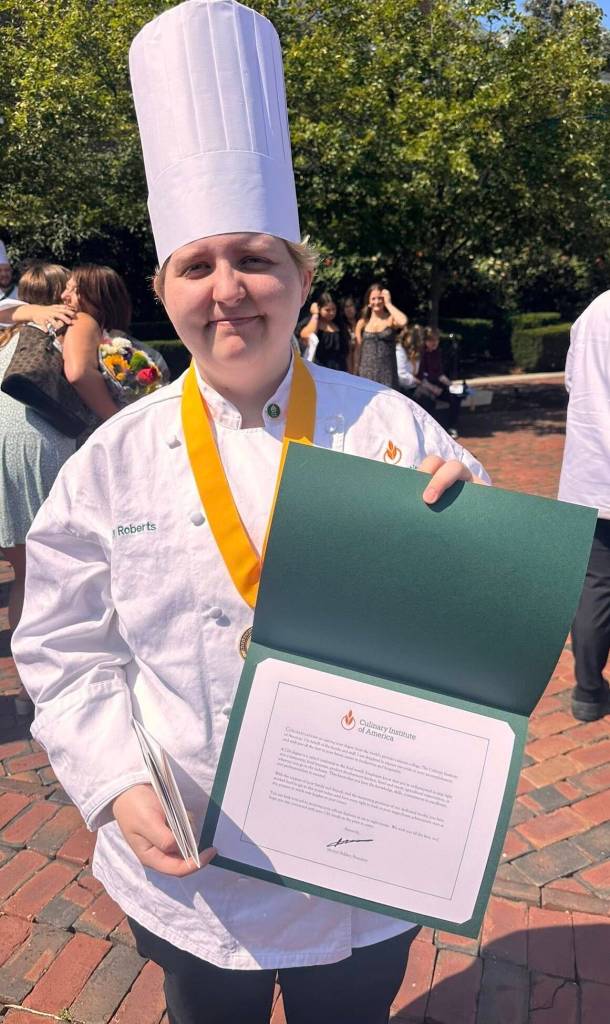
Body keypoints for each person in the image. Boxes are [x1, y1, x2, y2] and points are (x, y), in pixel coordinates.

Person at [12, 3, 490, 1022]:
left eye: (256, 258)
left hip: (366, 857)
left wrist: (469, 534)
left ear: (302, 279)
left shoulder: (394, 428)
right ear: (166, 291)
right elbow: (62, 647)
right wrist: (114, 784)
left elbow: (480, 624)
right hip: (192, 855)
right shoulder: (112, 461)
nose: (228, 288)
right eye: (198, 265)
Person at [0, 263, 77, 714]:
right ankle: (61, 680)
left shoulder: (6, 334)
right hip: (42, 447)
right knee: (62, 570)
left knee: (23, 574)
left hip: (3, 451)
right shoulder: (61, 326)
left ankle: (26, 688)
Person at [558, 292, 610, 721]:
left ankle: (588, 691)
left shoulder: (594, 311)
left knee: (595, 585)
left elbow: (572, 382)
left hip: (592, 474)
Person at [59, 264, 132, 422]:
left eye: (74, 290)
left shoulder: (85, 325)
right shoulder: (82, 320)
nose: (63, 295)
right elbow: (79, 374)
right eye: (66, 288)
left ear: (96, 297)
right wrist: (120, 422)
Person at [355, 283, 408, 388]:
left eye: (380, 298)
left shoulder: (390, 319)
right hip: (366, 373)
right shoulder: (362, 323)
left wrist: (388, 303)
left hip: (387, 373)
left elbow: (403, 321)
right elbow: (358, 349)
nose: (377, 302)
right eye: (373, 298)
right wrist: (355, 371)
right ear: (368, 301)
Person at [415, 327, 463, 440]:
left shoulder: (436, 353)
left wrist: (451, 385)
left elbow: (440, 374)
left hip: (436, 384)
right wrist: (433, 388)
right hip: (423, 385)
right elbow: (419, 377)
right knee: (428, 399)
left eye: (436, 340)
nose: (435, 343)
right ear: (425, 341)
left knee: (456, 395)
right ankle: (430, 431)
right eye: (431, 340)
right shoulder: (420, 354)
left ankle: (451, 427)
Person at [299, 292, 350, 371]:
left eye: (334, 309)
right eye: (327, 310)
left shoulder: (340, 325)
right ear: (319, 308)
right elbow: (305, 336)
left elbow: (347, 352)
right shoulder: (313, 323)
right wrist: (315, 314)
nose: (332, 313)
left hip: (339, 370)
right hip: (318, 369)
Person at [395, 325, 422, 399]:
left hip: (412, 387)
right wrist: (416, 381)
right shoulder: (400, 350)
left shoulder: (415, 352)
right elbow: (401, 375)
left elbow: (416, 372)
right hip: (401, 389)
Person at [341, 295, 359, 373]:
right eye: (346, 307)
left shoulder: (362, 324)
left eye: (351, 305)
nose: (349, 309)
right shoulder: (341, 327)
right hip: (347, 366)